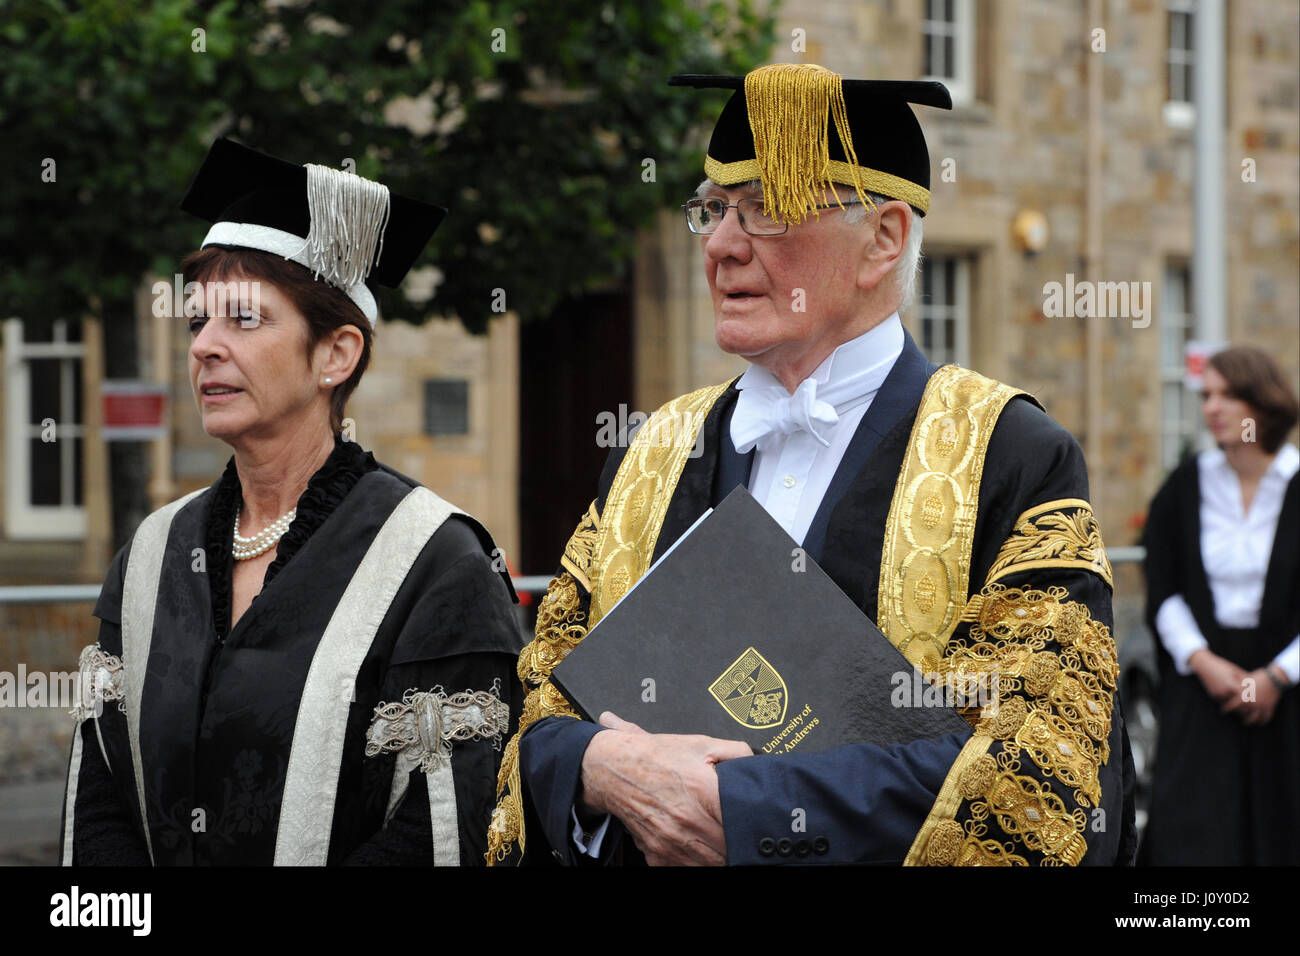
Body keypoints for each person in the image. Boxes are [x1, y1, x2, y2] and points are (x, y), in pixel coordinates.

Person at [487, 63, 1137, 867]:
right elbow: (545, 702)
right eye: (714, 210)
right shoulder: (653, 450)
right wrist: (599, 768)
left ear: (884, 239)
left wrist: (742, 810)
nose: (722, 245)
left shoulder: (1007, 454)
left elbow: (1037, 763)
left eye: (765, 211)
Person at [60, 138, 523, 866]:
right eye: (196, 322)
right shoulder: (152, 556)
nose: (205, 346)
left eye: (242, 320)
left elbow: (441, 833)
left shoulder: (436, 563)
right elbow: (103, 805)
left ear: (335, 355)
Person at [1141, 347, 1299, 865]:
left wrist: (1276, 677)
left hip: (1289, 684)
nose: (1213, 407)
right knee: (1195, 836)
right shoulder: (1186, 486)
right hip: (1204, 682)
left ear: (1264, 403)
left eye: (1229, 394)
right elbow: (1163, 590)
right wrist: (1203, 662)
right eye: (1207, 395)